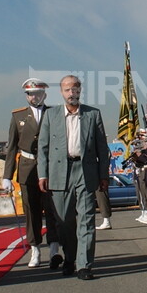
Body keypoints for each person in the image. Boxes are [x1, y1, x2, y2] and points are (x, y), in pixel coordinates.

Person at [37, 76, 110, 281]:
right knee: (64, 220)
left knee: (86, 219)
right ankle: (70, 257)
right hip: (59, 172)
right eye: (67, 90)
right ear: (61, 92)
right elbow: (42, 148)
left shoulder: (93, 114)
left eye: (75, 89)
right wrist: (42, 174)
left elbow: (102, 149)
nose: (72, 93)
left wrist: (103, 175)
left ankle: (84, 265)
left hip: (85, 171)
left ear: (80, 91)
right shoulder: (51, 115)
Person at [3, 79, 60, 269]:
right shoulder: (17, 116)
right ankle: (35, 248)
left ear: (44, 94)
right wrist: (6, 176)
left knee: (52, 209)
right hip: (27, 168)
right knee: (31, 211)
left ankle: (54, 248)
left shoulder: (54, 114)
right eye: (29, 94)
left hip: (50, 167)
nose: (33, 97)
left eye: (36, 93)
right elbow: (11, 148)